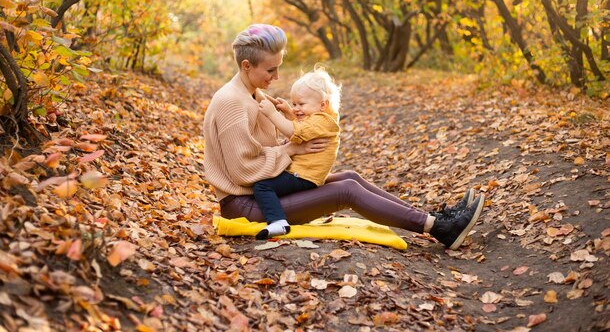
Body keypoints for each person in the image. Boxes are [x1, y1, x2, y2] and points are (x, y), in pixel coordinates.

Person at [203, 24, 485, 250]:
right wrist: (290, 150)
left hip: (265, 191)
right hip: (247, 205)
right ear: (246, 65)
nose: (276, 77)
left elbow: (264, 148)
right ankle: (440, 229)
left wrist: (290, 134)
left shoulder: (253, 92)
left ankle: (434, 219)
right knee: (345, 192)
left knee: (350, 177)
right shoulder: (232, 102)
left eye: (278, 67)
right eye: (270, 70)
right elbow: (242, 170)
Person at [253, 66, 341, 239]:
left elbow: (294, 132)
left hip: (304, 176)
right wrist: (287, 112)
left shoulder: (322, 121)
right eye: (294, 104)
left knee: (262, 186)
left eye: (301, 104)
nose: (297, 108)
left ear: (322, 104)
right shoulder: (318, 119)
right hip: (305, 173)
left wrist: (272, 114)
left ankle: (278, 221)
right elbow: (302, 129)